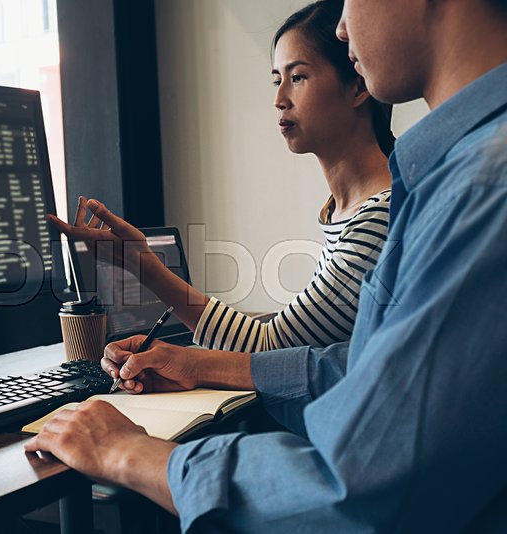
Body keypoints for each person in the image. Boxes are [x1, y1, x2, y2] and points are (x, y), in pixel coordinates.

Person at [26, 0, 507, 530]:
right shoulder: (444, 181)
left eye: (297, 77)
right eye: (278, 79)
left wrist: (127, 452)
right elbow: (358, 364)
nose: (343, 26)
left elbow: (359, 487)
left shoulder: (480, 187)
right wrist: (196, 363)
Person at [50, 0, 395, 353]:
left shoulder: (379, 218)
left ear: (358, 87)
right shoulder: (343, 211)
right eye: (277, 80)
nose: (279, 98)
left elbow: (271, 349)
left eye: (297, 77)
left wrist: (144, 266)